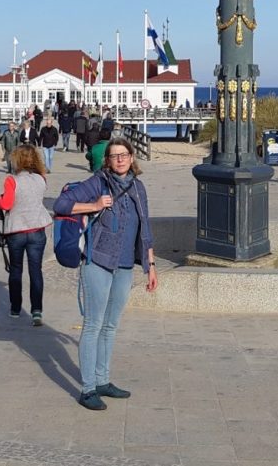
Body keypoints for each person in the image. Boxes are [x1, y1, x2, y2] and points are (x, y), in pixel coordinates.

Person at [52, 137, 158, 411]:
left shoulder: (138, 187)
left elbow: (145, 227)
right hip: (98, 261)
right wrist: (95, 205)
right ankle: (87, 389)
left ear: (133, 157)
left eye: (124, 155)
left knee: (111, 326)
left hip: (125, 265)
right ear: (107, 161)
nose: (120, 159)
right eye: (114, 156)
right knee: (93, 325)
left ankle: (102, 380)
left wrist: (151, 265)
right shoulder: (97, 183)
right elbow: (61, 205)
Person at [0, 144, 52, 326]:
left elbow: (6, 204)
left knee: (16, 270)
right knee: (36, 271)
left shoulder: (12, 180)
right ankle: (36, 310)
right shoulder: (41, 179)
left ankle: (15, 308)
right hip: (37, 229)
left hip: (17, 231)